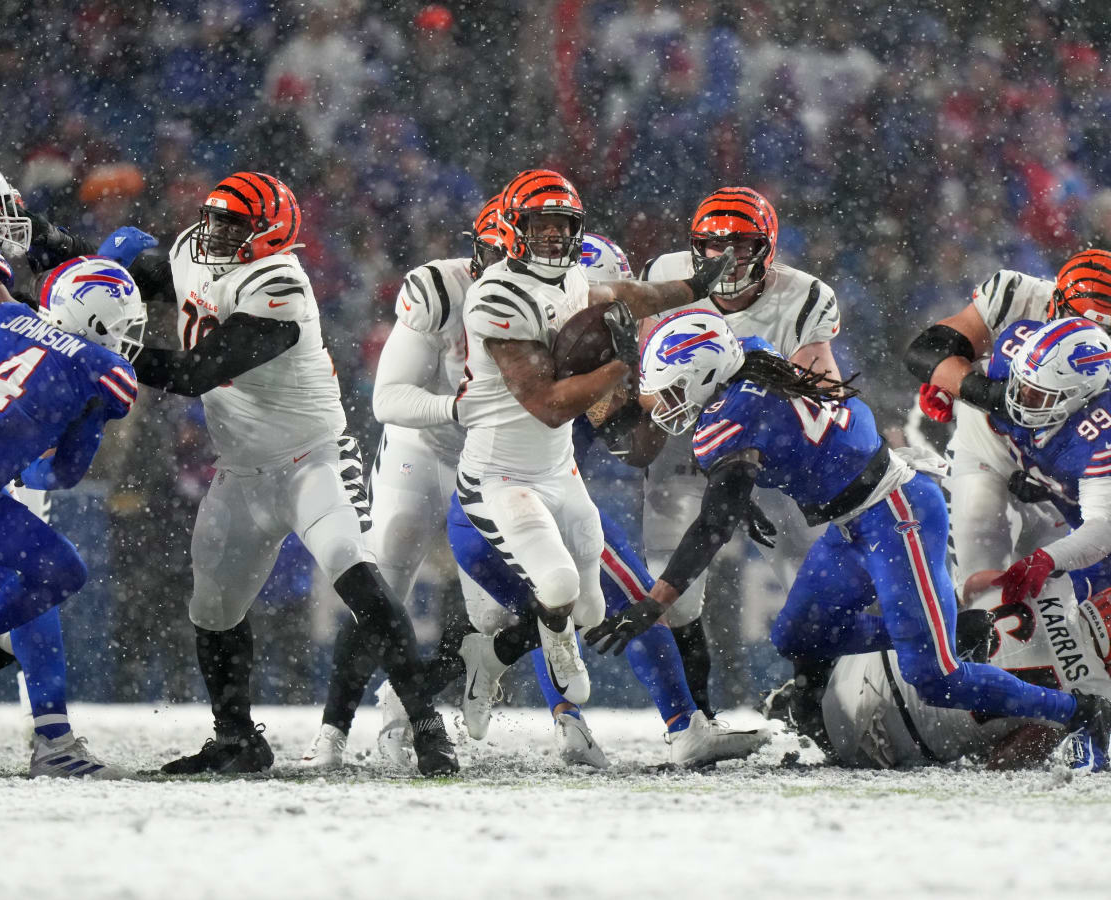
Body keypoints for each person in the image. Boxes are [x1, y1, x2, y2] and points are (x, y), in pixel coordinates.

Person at [33, 171, 459, 776]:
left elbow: (194, 372)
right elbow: (111, 282)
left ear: (272, 232)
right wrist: (37, 240)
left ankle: (425, 726)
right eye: (217, 218)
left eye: (237, 223)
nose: (219, 232)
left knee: (355, 573)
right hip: (241, 471)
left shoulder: (279, 284)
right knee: (212, 609)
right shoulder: (191, 250)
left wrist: (97, 348)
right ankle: (237, 740)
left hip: (314, 460)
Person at [586, 309, 1111, 757]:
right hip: (856, 521)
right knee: (795, 636)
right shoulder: (748, 354)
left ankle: (1078, 711)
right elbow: (767, 444)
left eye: (668, 388)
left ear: (703, 376)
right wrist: (740, 484)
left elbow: (712, 525)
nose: (659, 403)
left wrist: (656, 601)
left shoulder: (729, 417)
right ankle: (949, 630)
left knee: (934, 677)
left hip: (895, 514)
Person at [451, 168, 736, 739]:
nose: (556, 239)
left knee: (581, 611)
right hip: (496, 489)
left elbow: (631, 441)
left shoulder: (573, 290)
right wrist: (619, 365)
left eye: (565, 228)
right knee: (616, 592)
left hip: (551, 479)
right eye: (543, 227)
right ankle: (682, 726)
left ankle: (492, 670)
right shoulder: (501, 297)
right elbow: (550, 405)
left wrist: (701, 285)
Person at [298, 195, 505, 769]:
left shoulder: (556, 294)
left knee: (491, 616)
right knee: (380, 595)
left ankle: (405, 706)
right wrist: (460, 411)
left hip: (494, 463)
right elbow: (388, 399)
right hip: (421, 453)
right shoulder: (442, 290)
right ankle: (334, 732)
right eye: (502, 253)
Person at [638, 187, 842, 717]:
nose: (726, 260)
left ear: (768, 247)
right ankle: (693, 719)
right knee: (676, 590)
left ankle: (815, 703)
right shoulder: (666, 274)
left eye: (744, 246)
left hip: (770, 449)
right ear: (693, 247)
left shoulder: (804, 296)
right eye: (711, 246)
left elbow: (825, 400)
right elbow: (645, 382)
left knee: (807, 578)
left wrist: (747, 461)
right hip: (683, 437)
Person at [903, 250, 1111, 592]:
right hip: (988, 437)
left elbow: (1105, 445)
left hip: (1054, 472)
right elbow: (927, 350)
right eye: (1075, 315)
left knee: (1052, 584)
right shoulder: (1015, 297)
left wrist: (1051, 480)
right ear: (1053, 298)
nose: (1085, 332)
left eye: (1102, 329)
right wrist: (976, 390)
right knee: (976, 567)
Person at [0, 249, 145, 778]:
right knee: (60, 571)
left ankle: (53, 739)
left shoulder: (7, 313)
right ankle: (52, 740)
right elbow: (66, 474)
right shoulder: (105, 370)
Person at [972, 317, 1111, 679]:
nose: (1018, 398)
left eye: (1036, 395)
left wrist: (1047, 557)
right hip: (1086, 511)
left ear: (1078, 397)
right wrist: (951, 383)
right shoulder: (1016, 353)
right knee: (1074, 617)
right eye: (1021, 384)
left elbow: (1105, 528)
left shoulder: (1107, 428)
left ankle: (1085, 711)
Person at [780, 574, 1111, 771]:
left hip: (861, 661)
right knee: (1056, 716)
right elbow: (1003, 763)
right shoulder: (1095, 692)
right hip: (878, 741)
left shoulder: (1051, 581)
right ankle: (809, 711)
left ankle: (803, 696)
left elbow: (967, 587)